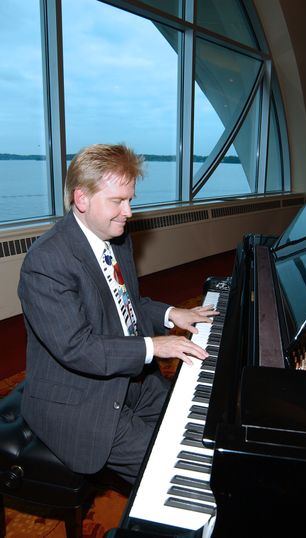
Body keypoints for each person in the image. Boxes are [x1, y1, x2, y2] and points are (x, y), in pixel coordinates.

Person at [18, 143, 218, 485]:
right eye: (118, 201)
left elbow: (127, 304)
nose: (128, 211)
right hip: (78, 401)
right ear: (82, 199)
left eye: (130, 200)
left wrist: (173, 314)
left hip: (130, 381)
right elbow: (77, 348)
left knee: (197, 427)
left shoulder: (115, 238)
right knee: (177, 473)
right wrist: (155, 346)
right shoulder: (46, 263)